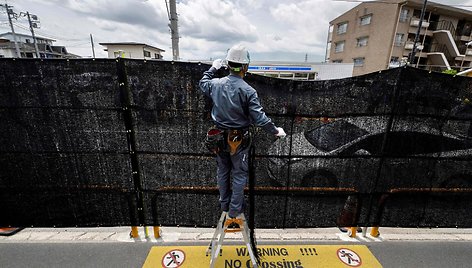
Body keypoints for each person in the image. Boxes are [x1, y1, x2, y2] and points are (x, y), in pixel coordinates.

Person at [199, 44, 286, 219]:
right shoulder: (248, 91)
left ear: (228, 65)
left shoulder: (215, 84)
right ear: (245, 67)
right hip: (238, 139)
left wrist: (213, 69)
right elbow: (259, 118)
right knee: (239, 174)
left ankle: (225, 205)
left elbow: (203, 83)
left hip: (218, 139)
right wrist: (275, 130)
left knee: (223, 171)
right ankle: (234, 210)